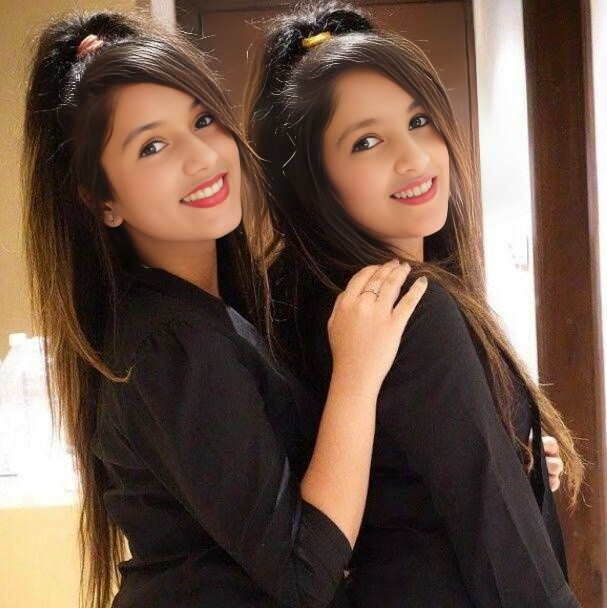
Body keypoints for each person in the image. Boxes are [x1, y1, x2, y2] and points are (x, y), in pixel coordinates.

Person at [21, 11, 429, 608]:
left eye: (203, 120)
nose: (202, 158)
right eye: (153, 146)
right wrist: (356, 375)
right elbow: (303, 575)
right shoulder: (173, 341)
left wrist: (481, 458)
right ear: (102, 201)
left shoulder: (213, 314)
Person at [244, 2, 584, 606]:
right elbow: (508, 561)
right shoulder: (406, 307)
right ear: (314, 179)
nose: (416, 158)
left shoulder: (309, 297)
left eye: (420, 120)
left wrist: (512, 450)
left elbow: (395, 480)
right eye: (367, 141)